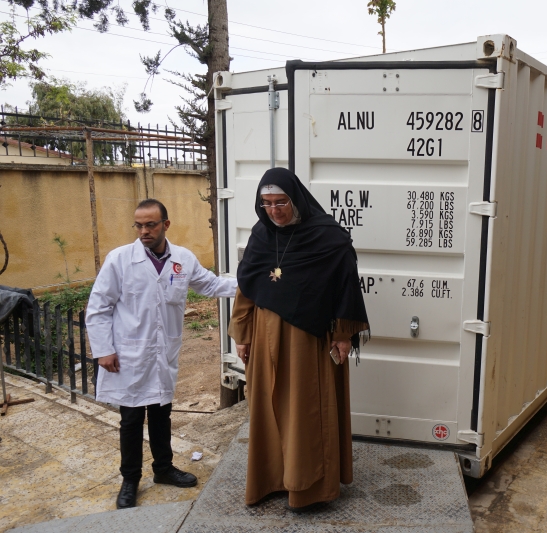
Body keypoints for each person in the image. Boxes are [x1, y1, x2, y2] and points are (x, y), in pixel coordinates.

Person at [229, 167, 369, 510]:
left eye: (281, 202)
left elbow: (345, 285)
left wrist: (342, 335)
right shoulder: (261, 236)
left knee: (305, 410)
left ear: (296, 199)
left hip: (308, 342)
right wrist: (243, 334)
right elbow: (247, 287)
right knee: (268, 407)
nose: (274, 210)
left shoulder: (328, 236)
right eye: (266, 203)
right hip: (264, 339)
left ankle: (309, 488)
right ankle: (271, 479)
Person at [86, 198, 237, 509]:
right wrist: (104, 351)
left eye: (150, 224)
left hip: (162, 352)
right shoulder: (120, 260)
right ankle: (130, 479)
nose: (144, 230)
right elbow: (98, 308)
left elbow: (211, 285)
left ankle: (163, 469)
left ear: (165, 225)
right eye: (139, 225)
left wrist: (256, 284)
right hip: (128, 354)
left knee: (161, 413)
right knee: (130, 418)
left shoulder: (182, 259)